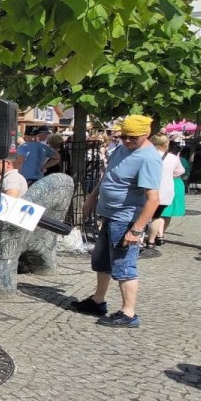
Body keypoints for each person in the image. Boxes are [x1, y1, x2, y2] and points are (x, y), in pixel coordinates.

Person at [69, 115, 160, 328]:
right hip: (109, 215)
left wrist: (136, 230)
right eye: (123, 136)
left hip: (125, 218)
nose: (127, 140)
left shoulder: (148, 158)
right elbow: (109, 175)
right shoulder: (122, 149)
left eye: (132, 138)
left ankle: (129, 313)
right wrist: (93, 196)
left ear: (146, 135)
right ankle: (97, 301)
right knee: (102, 261)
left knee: (124, 266)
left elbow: (153, 199)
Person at [147, 134, 184, 247]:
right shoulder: (173, 158)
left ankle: (139, 240)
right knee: (157, 216)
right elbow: (180, 171)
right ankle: (151, 241)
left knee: (142, 215)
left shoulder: (147, 155)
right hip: (165, 190)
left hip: (148, 188)